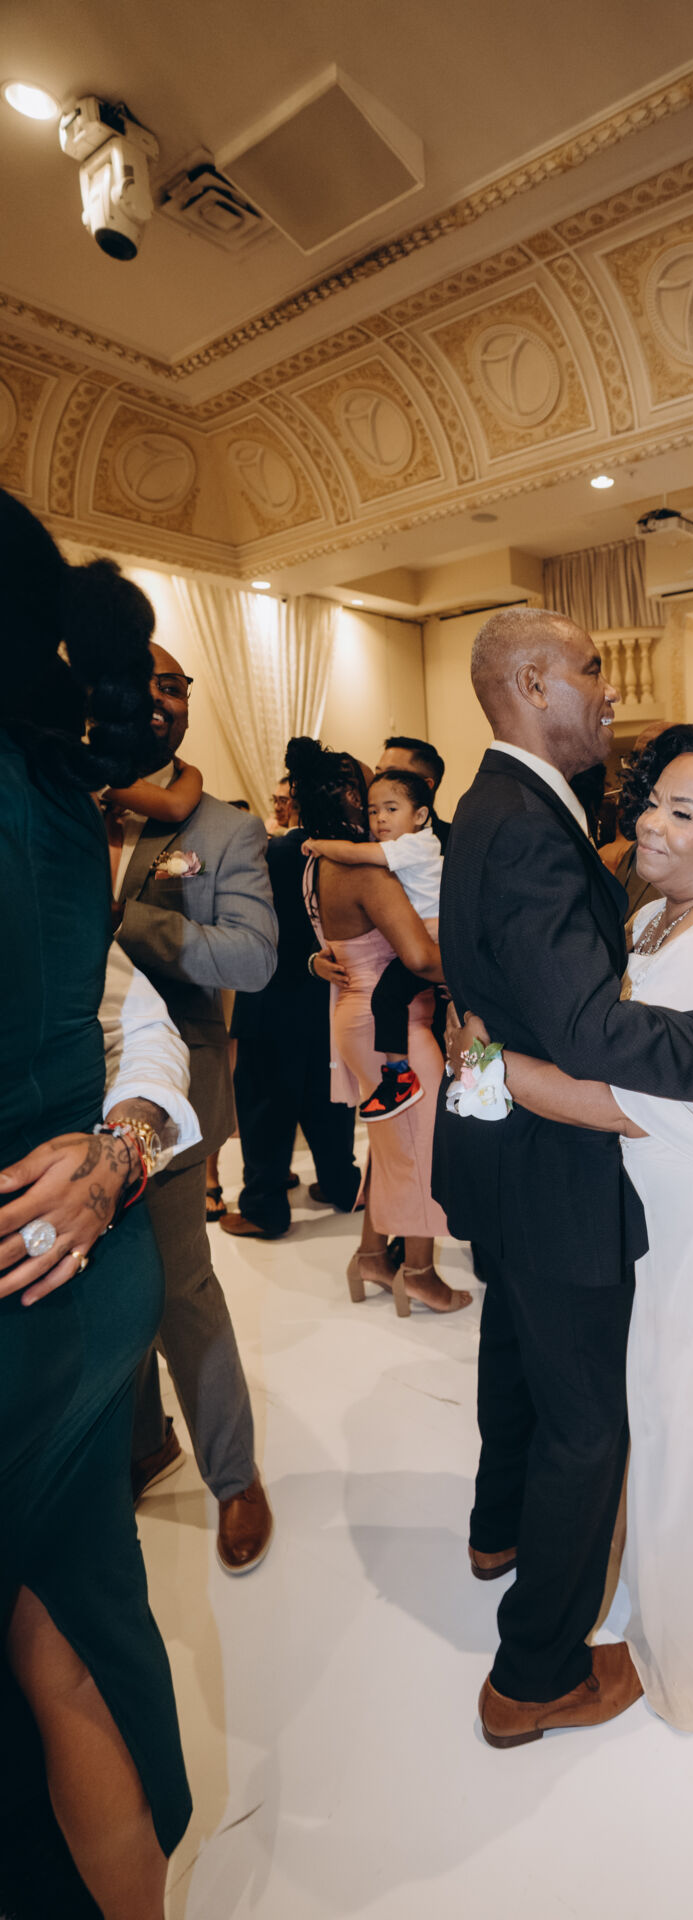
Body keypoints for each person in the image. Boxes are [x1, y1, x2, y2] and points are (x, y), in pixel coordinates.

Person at [432, 606, 693, 1750]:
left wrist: (485, 1057)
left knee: (514, 1351)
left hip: (504, 1150)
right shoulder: (525, 823)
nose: (609, 688)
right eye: (592, 669)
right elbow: (591, 1033)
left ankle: (496, 1530)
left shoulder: (498, 803)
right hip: (551, 1172)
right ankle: (533, 1675)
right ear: (534, 683)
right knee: (588, 1425)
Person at [0, 490, 193, 1918]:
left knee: (62, 1646)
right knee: (64, 1642)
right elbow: (124, 1012)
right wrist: (124, 1142)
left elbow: (153, 1013)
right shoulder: (60, 800)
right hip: (64, 1284)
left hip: (38, 1292)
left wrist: (120, 1154)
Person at [113, 641, 278, 1574]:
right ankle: (145, 1442)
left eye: (174, 686)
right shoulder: (64, 802)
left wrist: (130, 923)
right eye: (141, 684)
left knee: (180, 1282)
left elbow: (252, 958)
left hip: (173, 1086)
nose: (160, 700)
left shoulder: (222, 829)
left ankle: (235, 1475)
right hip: (67, 1081)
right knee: (105, 1276)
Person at [288, 737, 468, 1316]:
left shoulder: (318, 864)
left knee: (394, 1144)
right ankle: (419, 1272)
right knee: (423, 1148)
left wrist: (317, 962)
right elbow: (419, 958)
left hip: (354, 1017)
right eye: (369, 795)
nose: (377, 806)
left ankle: (371, 1255)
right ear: (349, 800)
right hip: (390, 1023)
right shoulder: (366, 871)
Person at [219, 814, 363, 1239]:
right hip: (333, 994)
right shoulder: (355, 855)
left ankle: (265, 1207)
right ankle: (342, 1185)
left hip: (271, 992)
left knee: (265, 1102)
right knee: (330, 1095)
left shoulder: (273, 853)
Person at [302, 768, 443, 1123]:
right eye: (373, 810)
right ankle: (398, 1075)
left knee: (389, 998)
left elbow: (354, 853)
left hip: (434, 940)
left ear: (420, 815)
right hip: (412, 962)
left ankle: (398, 1076)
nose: (380, 819)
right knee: (387, 997)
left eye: (391, 809)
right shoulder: (399, 850)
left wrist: (320, 846)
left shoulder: (413, 845)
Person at [600, 717, 669, 923]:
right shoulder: (633, 851)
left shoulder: (685, 849)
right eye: (635, 759)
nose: (638, 770)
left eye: (650, 759)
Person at [379, 735, 450, 850]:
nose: (379, 782)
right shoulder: (364, 834)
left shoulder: (454, 841)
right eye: (378, 774)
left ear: (426, 785)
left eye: (392, 775)